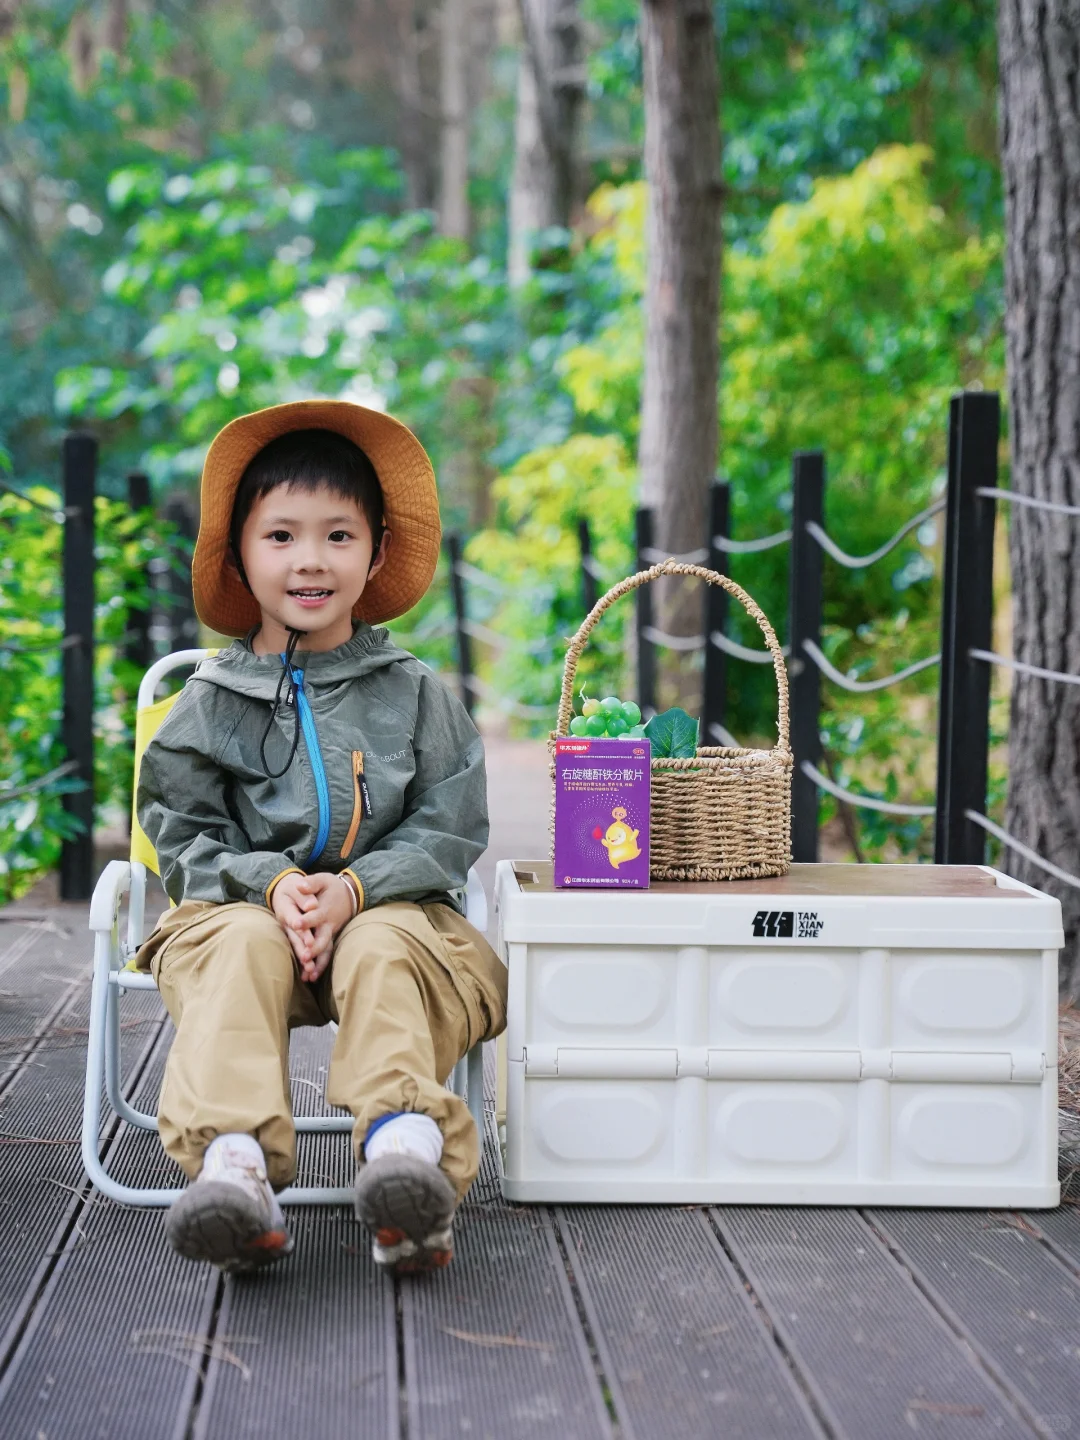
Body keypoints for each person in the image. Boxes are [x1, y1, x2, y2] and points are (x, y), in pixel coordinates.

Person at [135, 400, 507, 1276]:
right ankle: (235, 1169)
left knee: (383, 946)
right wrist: (271, 883)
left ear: (376, 552)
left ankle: (405, 1156)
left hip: (395, 913)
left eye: (339, 536)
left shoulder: (414, 693)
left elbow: (450, 821)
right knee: (237, 944)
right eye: (281, 536)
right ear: (239, 556)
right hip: (241, 914)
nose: (310, 559)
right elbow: (180, 830)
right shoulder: (208, 702)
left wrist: (355, 889)